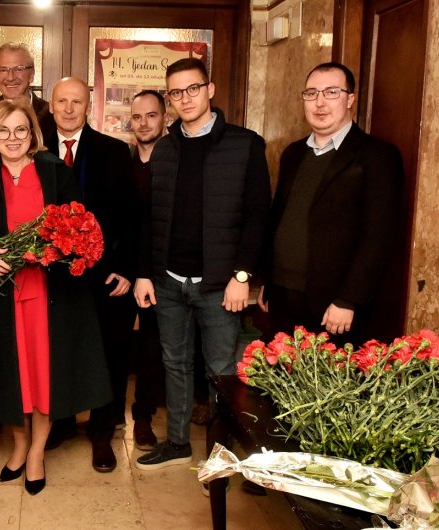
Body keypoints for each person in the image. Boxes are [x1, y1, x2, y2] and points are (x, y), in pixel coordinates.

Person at [0, 100, 112, 495]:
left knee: (44, 377)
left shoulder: (56, 172)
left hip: (50, 296)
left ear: (33, 134)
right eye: (3, 131)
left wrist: (59, 247)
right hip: (3, 297)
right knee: (12, 377)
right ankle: (18, 446)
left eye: (21, 130)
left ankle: (36, 451)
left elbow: (78, 224)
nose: (12, 138)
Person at [133, 58, 271, 470]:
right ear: (169, 99)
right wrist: (144, 273)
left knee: (221, 370)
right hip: (169, 280)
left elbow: (258, 216)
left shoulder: (245, 144)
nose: (185, 99)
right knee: (174, 363)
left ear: (210, 89)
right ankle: (177, 442)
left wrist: (241, 276)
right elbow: (150, 217)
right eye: (176, 92)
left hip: (220, 285)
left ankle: (222, 450)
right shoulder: (165, 148)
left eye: (193, 88)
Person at [257, 62, 403, 344]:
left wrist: (349, 299)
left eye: (331, 92)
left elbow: (379, 237)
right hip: (283, 296)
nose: (320, 102)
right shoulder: (293, 153)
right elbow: (279, 218)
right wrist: (267, 280)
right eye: (311, 93)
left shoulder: (377, 156)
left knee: (329, 386)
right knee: (284, 382)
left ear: (350, 99)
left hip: (333, 305)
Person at [43, 77, 138, 474]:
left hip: (104, 277)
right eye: (62, 101)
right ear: (51, 105)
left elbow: (134, 216)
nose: (68, 109)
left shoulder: (115, 151)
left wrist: (127, 269)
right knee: (57, 351)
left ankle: (102, 433)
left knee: (108, 354)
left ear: (88, 105)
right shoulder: (32, 149)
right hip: (50, 276)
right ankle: (61, 423)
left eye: (76, 101)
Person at [127, 90, 167, 452]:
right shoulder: (121, 161)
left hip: (160, 271)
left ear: (164, 118)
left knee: (153, 347)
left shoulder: (176, 160)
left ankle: (143, 418)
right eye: (137, 117)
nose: (144, 123)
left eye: (151, 116)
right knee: (117, 343)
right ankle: (103, 417)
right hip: (124, 271)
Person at [0, 42, 56, 163]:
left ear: (32, 74)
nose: (10, 77)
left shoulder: (52, 116)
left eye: (19, 69)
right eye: (3, 70)